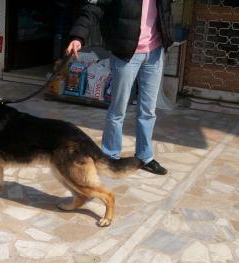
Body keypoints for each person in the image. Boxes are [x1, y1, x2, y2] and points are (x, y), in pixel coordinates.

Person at [66, 0, 174, 175]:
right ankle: (110, 157)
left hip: (154, 53)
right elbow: (94, 6)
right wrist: (78, 36)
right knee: (118, 110)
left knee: (148, 111)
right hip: (126, 54)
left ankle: (144, 157)